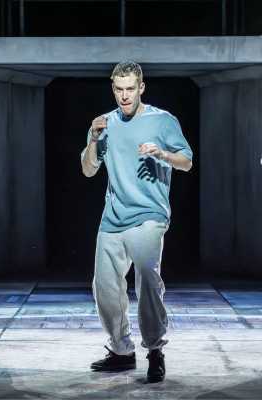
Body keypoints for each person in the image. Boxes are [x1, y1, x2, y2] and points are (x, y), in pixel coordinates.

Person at [81, 62, 193, 382]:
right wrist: (92, 139)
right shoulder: (106, 124)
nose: (124, 96)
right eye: (119, 89)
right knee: (104, 287)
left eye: (130, 89)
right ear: (113, 88)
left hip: (150, 215)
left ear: (141, 87)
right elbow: (88, 170)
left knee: (146, 275)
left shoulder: (162, 120)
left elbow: (186, 161)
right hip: (113, 217)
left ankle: (155, 350)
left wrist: (162, 155)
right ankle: (121, 350)